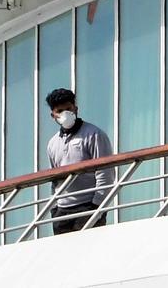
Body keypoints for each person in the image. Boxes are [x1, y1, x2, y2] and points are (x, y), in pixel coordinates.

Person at [45, 88, 113, 234]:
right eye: (60, 111)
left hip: (88, 206)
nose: (65, 114)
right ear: (53, 115)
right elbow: (55, 180)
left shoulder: (94, 135)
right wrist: (54, 208)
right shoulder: (52, 143)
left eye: (68, 109)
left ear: (76, 108)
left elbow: (105, 174)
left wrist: (97, 208)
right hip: (61, 212)